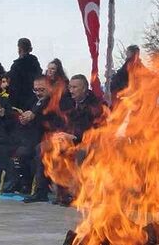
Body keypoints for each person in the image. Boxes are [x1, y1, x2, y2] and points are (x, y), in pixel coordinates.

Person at [25, 74, 103, 204]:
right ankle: (41, 191)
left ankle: (74, 193)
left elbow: (97, 129)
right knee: (42, 148)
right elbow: (61, 121)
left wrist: (75, 136)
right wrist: (59, 133)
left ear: (84, 88)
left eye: (75, 87)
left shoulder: (95, 105)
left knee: (75, 153)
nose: (71, 90)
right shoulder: (68, 102)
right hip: (66, 139)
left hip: (87, 142)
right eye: (70, 87)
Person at [0, 76, 48, 193]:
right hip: (23, 136)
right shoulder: (33, 101)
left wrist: (34, 117)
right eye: (36, 90)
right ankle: (15, 178)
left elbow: (49, 123)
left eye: (41, 90)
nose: (38, 93)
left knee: (24, 152)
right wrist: (23, 120)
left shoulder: (52, 102)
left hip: (41, 138)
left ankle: (27, 183)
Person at [7, 38, 42, 110]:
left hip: (19, 99)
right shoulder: (34, 61)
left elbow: (13, 84)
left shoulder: (16, 65)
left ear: (19, 49)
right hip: (32, 97)